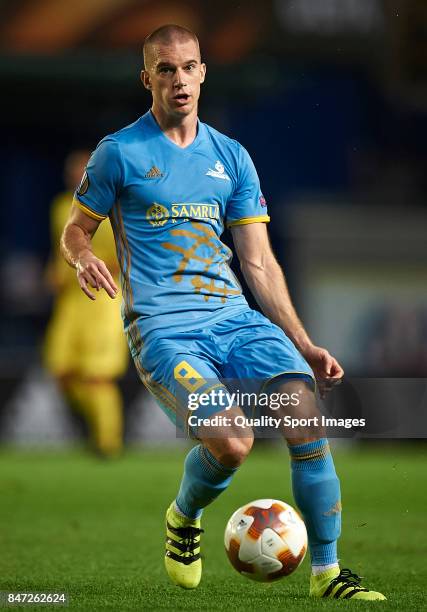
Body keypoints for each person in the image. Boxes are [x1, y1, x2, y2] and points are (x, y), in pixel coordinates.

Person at [60, 25, 385, 600]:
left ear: (204, 72)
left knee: (304, 416)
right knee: (232, 442)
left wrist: (305, 343)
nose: (178, 79)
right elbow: (75, 229)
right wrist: (83, 255)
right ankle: (183, 519)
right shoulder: (119, 152)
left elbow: (258, 264)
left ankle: (328, 574)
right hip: (164, 331)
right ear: (147, 79)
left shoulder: (231, 157)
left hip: (234, 319)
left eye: (188, 67)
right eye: (165, 69)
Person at [44, 150, 128, 457]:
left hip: (104, 299)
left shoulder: (116, 206)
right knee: (62, 372)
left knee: (97, 375)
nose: (77, 174)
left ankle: (108, 444)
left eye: (84, 169)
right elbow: (61, 249)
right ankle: (95, 424)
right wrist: (52, 272)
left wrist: (105, 266)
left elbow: (127, 253)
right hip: (70, 301)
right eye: (74, 169)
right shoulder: (60, 207)